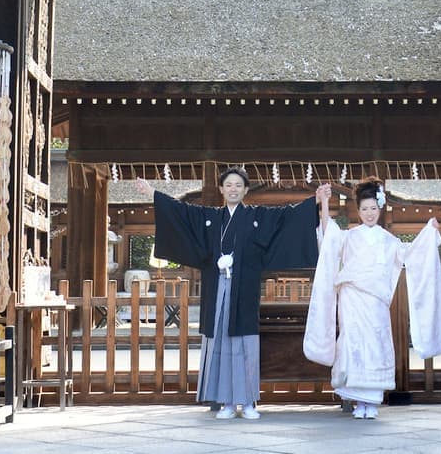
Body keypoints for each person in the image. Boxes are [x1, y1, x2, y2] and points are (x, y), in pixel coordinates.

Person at [136, 170, 331, 419]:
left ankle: (248, 401)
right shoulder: (208, 217)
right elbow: (181, 212)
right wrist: (153, 193)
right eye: (228, 185)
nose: (233, 189)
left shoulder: (257, 217)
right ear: (221, 189)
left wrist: (314, 200)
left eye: (238, 185)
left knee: (244, 344)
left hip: (244, 288)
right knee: (220, 341)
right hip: (217, 287)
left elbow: (286, 216)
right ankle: (226, 401)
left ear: (246, 190)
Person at [303, 179, 441, 419]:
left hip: (376, 301)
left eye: (373, 208)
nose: (369, 213)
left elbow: (411, 254)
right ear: (358, 211)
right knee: (353, 342)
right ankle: (357, 400)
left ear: (380, 208)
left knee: (375, 342)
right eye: (364, 209)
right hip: (352, 297)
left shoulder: (389, 240)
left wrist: (429, 233)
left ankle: (371, 401)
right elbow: (329, 235)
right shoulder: (350, 236)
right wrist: (324, 202)